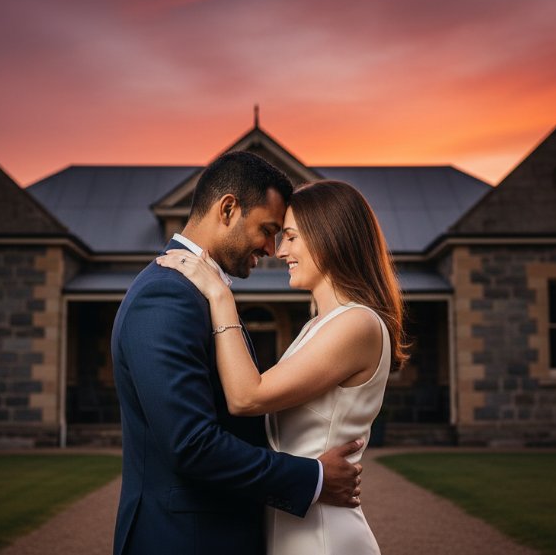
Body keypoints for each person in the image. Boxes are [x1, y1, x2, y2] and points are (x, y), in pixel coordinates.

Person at [111, 153, 365, 555]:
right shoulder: (167, 295)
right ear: (228, 209)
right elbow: (191, 444)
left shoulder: (200, 292)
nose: (271, 247)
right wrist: (312, 477)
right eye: (267, 230)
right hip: (185, 541)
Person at [157, 179, 408, 555]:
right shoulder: (316, 326)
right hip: (292, 521)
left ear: (329, 236)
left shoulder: (358, 324)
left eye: (290, 236)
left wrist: (220, 295)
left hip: (323, 536)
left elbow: (246, 396)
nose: (278, 250)